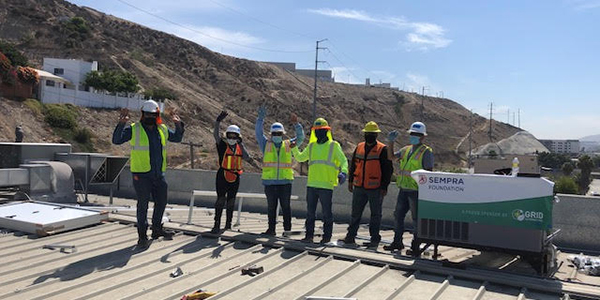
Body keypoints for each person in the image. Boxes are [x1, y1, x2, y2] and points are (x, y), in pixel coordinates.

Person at [112, 100, 185, 248]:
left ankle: (157, 229)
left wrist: (178, 124)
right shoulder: (134, 129)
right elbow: (116, 140)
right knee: (143, 205)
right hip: (141, 175)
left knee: (162, 202)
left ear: (157, 115)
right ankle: (142, 236)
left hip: (158, 174)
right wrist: (121, 124)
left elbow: (177, 138)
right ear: (142, 114)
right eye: (148, 114)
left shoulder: (162, 129)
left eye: (153, 114)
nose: (150, 117)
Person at [291, 118, 348, 244]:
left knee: (327, 213)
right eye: (316, 131)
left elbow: (344, 161)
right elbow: (300, 158)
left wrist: (343, 172)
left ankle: (326, 237)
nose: (318, 133)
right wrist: (294, 148)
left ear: (326, 131)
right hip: (312, 184)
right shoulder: (311, 146)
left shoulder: (334, 146)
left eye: (321, 131)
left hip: (326, 185)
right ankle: (309, 236)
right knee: (310, 213)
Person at [339, 121, 392, 249]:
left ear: (376, 135)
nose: (369, 135)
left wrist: (384, 186)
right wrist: (350, 181)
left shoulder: (382, 149)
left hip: (375, 188)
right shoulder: (359, 147)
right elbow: (353, 165)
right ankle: (350, 237)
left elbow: (388, 170)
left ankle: (374, 239)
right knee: (355, 214)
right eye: (367, 133)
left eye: (372, 134)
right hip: (359, 186)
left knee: (375, 215)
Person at [383, 121, 433, 253]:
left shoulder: (426, 152)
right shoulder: (405, 150)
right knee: (398, 216)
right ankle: (397, 242)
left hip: (416, 191)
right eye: (412, 134)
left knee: (416, 219)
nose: (413, 136)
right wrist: (390, 142)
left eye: (416, 134)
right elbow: (391, 157)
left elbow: (428, 173)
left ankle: (415, 246)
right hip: (404, 189)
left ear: (423, 137)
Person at [255, 105, 305, 236]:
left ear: (282, 135)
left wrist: (296, 125)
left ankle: (287, 230)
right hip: (270, 183)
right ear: (271, 134)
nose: (277, 135)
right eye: (274, 134)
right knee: (271, 208)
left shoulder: (289, 144)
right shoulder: (266, 144)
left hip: (285, 183)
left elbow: (300, 138)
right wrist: (260, 120)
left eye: (279, 134)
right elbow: (258, 134)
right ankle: (271, 230)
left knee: (286, 207)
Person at [212, 110, 252, 234]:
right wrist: (218, 122)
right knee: (220, 200)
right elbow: (216, 136)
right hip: (222, 175)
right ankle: (216, 224)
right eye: (230, 135)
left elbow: (247, 157)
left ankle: (228, 224)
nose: (231, 138)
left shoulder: (240, 147)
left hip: (235, 177)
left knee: (231, 201)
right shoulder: (222, 145)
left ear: (238, 137)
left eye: (234, 136)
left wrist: (242, 144)